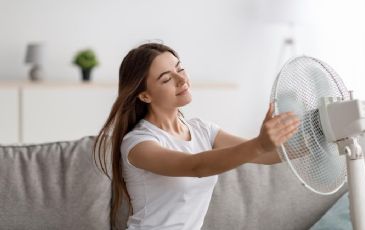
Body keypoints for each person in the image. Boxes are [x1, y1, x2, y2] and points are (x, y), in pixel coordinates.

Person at [94, 42, 300, 230]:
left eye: (180, 69)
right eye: (166, 79)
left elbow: (268, 156)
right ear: (145, 95)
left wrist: (321, 136)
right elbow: (196, 166)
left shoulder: (202, 130)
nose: (182, 80)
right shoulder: (137, 144)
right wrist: (260, 144)